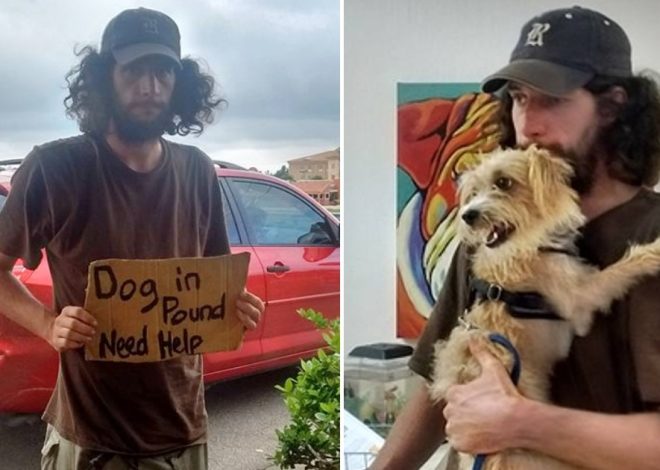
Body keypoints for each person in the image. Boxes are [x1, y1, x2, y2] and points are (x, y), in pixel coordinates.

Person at [371, 6, 660, 470]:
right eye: (521, 99)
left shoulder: (650, 234)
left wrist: (524, 423)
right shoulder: (493, 230)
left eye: (552, 100)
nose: (528, 125)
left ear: (612, 107)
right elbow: (436, 385)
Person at [0, 7, 265, 469]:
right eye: (134, 71)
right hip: (91, 436)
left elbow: (214, 287)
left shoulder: (198, 171)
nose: (149, 87)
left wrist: (238, 309)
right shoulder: (55, 168)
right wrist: (47, 324)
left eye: (162, 71)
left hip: (183, 430)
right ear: (105, 78)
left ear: (179, 83)